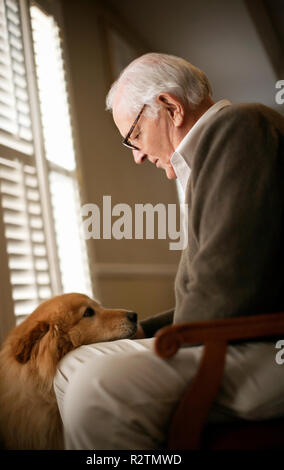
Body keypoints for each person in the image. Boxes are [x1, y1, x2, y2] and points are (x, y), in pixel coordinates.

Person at [54, 53, 284, 450]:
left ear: (170, 107)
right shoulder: (213, 150)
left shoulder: (240, 127)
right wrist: (146, 330)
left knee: (96, 389)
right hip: (231, 336)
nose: (137, 155)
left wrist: (161, 338)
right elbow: (217, 289)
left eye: (135, 135)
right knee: (70, 365)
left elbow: (228, 290)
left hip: (260, 346)